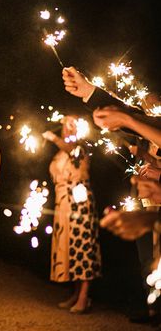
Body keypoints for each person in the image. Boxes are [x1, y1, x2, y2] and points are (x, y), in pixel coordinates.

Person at [42, 116, 101, 313]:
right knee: (70, 248)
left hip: (79, 203)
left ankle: (84, 297)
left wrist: (52, 138)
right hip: (63, 204)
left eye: (71, 126)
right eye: (63, 126)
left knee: (82, 247)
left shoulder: (81, 149)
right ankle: (76, 294)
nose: (65, 130)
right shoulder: (60, 153)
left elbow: (73, 152)